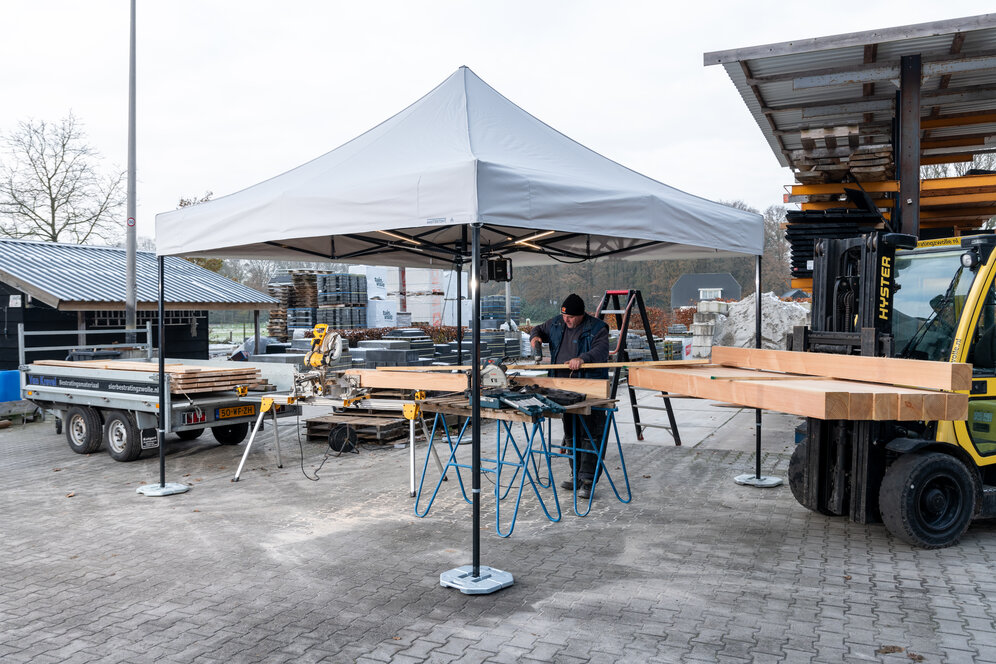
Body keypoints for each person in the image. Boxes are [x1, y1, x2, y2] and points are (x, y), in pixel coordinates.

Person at [529, 293, 609, 499]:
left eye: (571, 317)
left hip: (589, 388)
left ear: (581, 315)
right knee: (571, 433)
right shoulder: (556, 323)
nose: (567, 320)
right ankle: (576, 475)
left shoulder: (598, 328)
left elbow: (601, 351)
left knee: (589, 435)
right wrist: (535, 337)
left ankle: (588, 481)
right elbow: (538, 328)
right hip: (562, 388)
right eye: (564, 316)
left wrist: (582, 358)